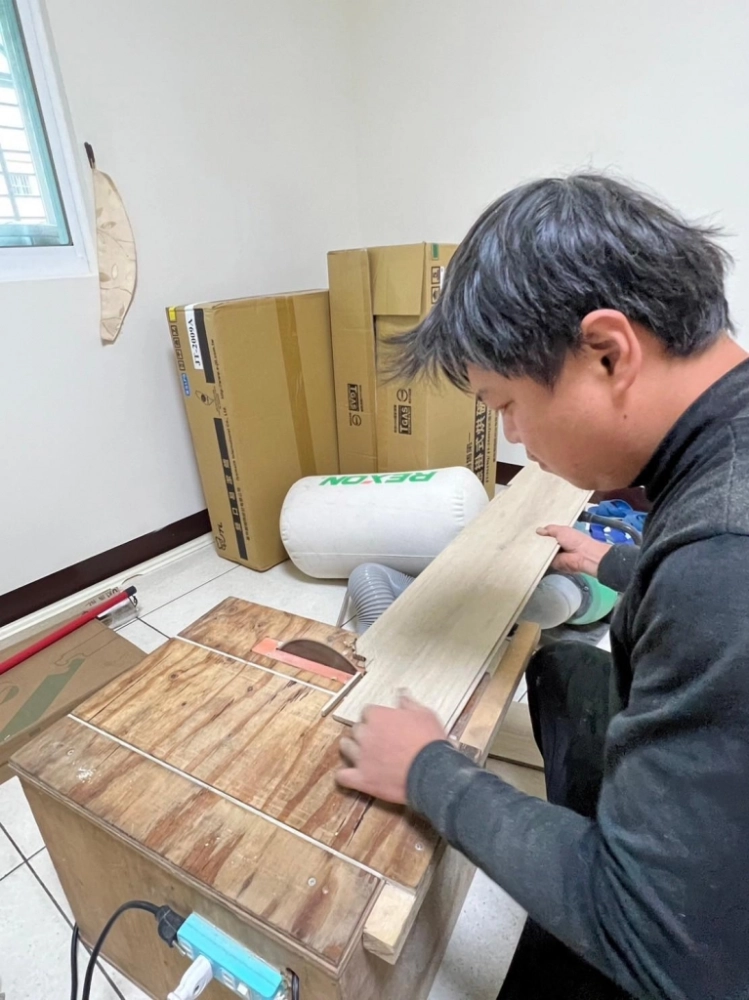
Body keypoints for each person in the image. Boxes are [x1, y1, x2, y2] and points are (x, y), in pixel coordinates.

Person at [336, 174, 749, 1000]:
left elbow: (661, 947)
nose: (515, 439)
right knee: (561, 669)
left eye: (507, 405)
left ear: (607, 353)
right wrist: (621, 565)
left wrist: (427, 770)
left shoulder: (719, 566)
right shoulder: (719, 472)